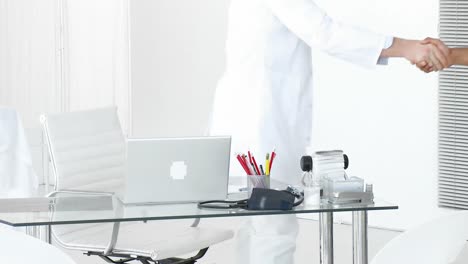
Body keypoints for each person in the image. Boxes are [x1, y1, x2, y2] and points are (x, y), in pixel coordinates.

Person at [209, 0, 450, 263]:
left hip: (255, 124)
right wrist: (407, 47)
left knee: (258, 226)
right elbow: (324, 32)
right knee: (273, 227)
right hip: (261, 128)